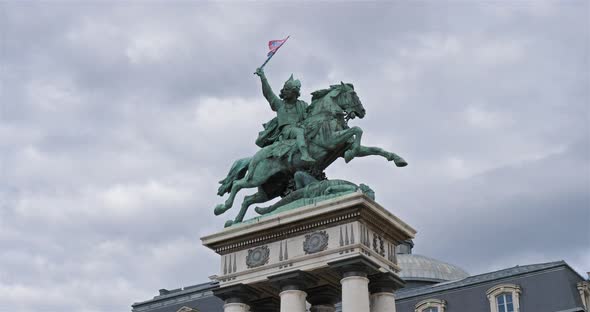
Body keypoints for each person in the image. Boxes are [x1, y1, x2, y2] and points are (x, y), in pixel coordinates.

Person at [254, 67, 315, 162]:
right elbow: (268, 93)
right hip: (287, 131)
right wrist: (263, 77)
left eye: (287, 90)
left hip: (303, 127)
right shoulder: (279, 105)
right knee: (299, 132)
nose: (284, 91)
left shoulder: (303, 105)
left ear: (294, 92)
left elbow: (310, 117)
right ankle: (304, 155)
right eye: (284, 89)